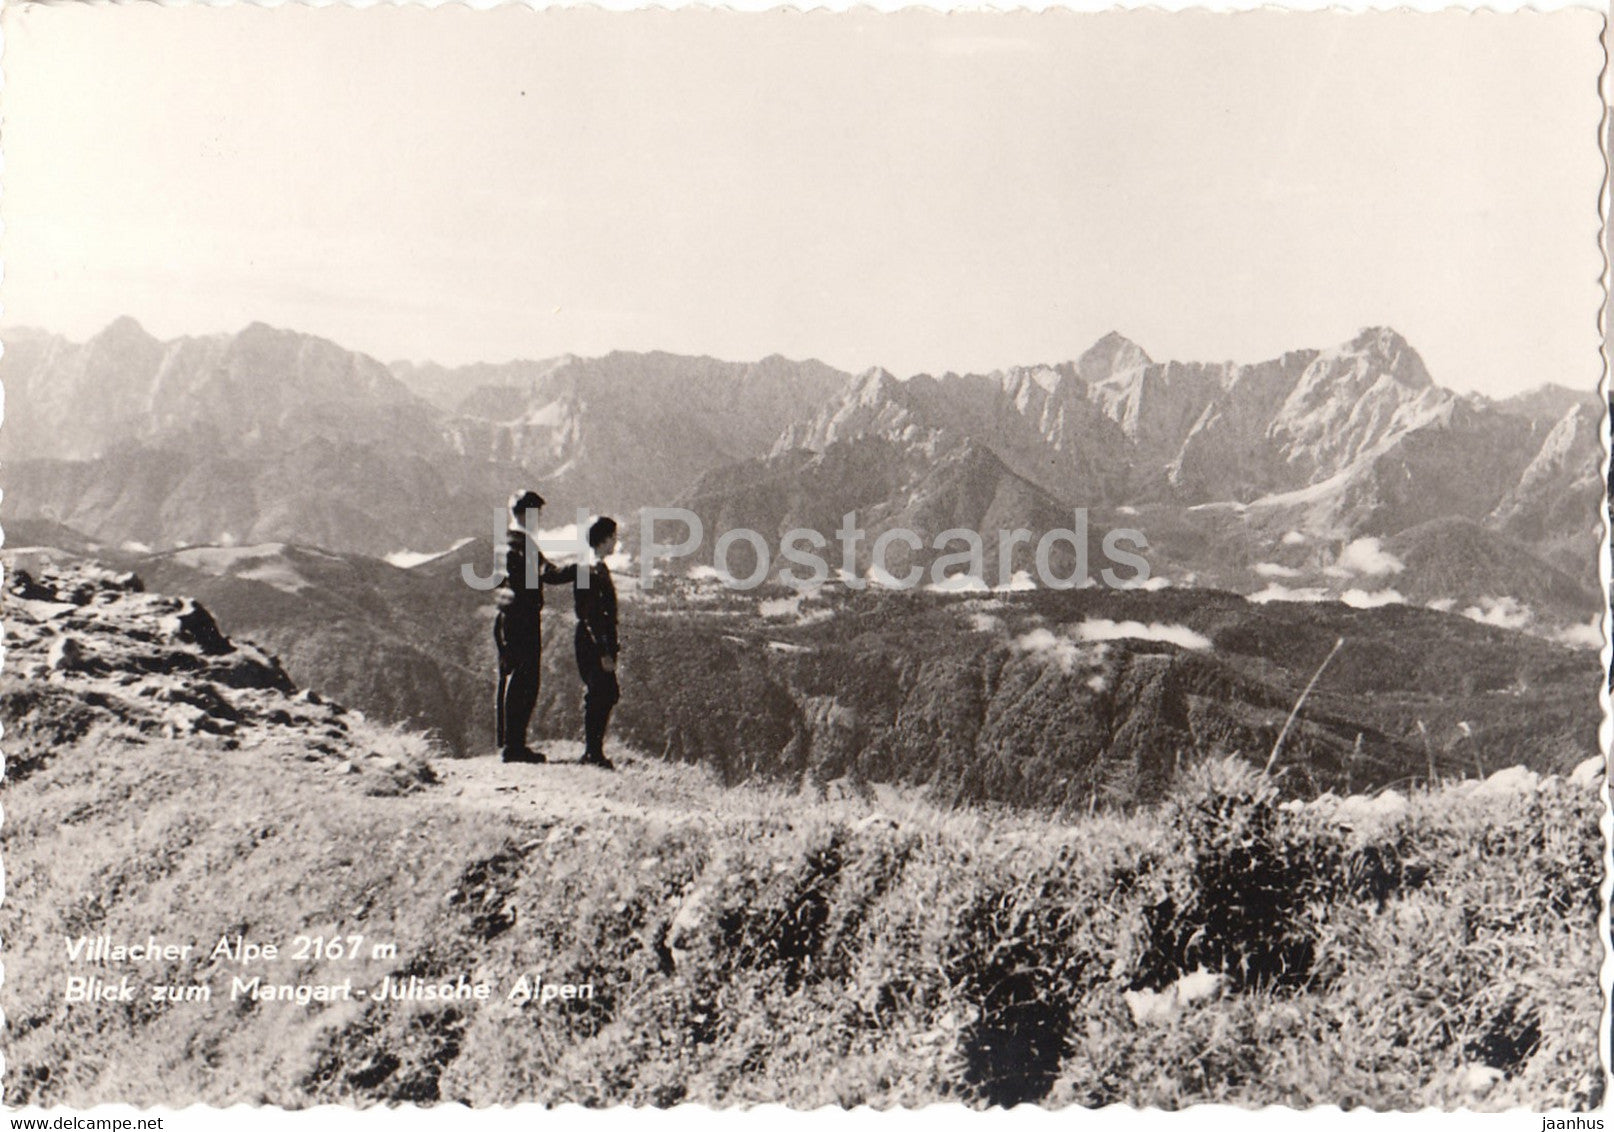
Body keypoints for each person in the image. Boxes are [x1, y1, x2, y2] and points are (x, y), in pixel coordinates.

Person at [494, 489, 568, 763]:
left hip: (512, 618)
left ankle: (512, 744)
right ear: (527, 514)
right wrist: (579, 570)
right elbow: (548, 573)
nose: (541, 520)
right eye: (538, 514)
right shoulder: (521, 544)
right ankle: (513, 747)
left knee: (518, 679)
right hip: (521, 620)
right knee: (524, 681)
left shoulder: (512, 541)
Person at [567, 516, 621, 770]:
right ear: (604, 540)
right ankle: (593, 752)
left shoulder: (594, 567)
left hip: (595, 639)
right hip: (593, 641)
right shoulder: (589, 569)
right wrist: (603, 651)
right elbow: (590, 614)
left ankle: (593, 750)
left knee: (604, 693)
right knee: (602, 693)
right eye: (613, 537)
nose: (616, 543)